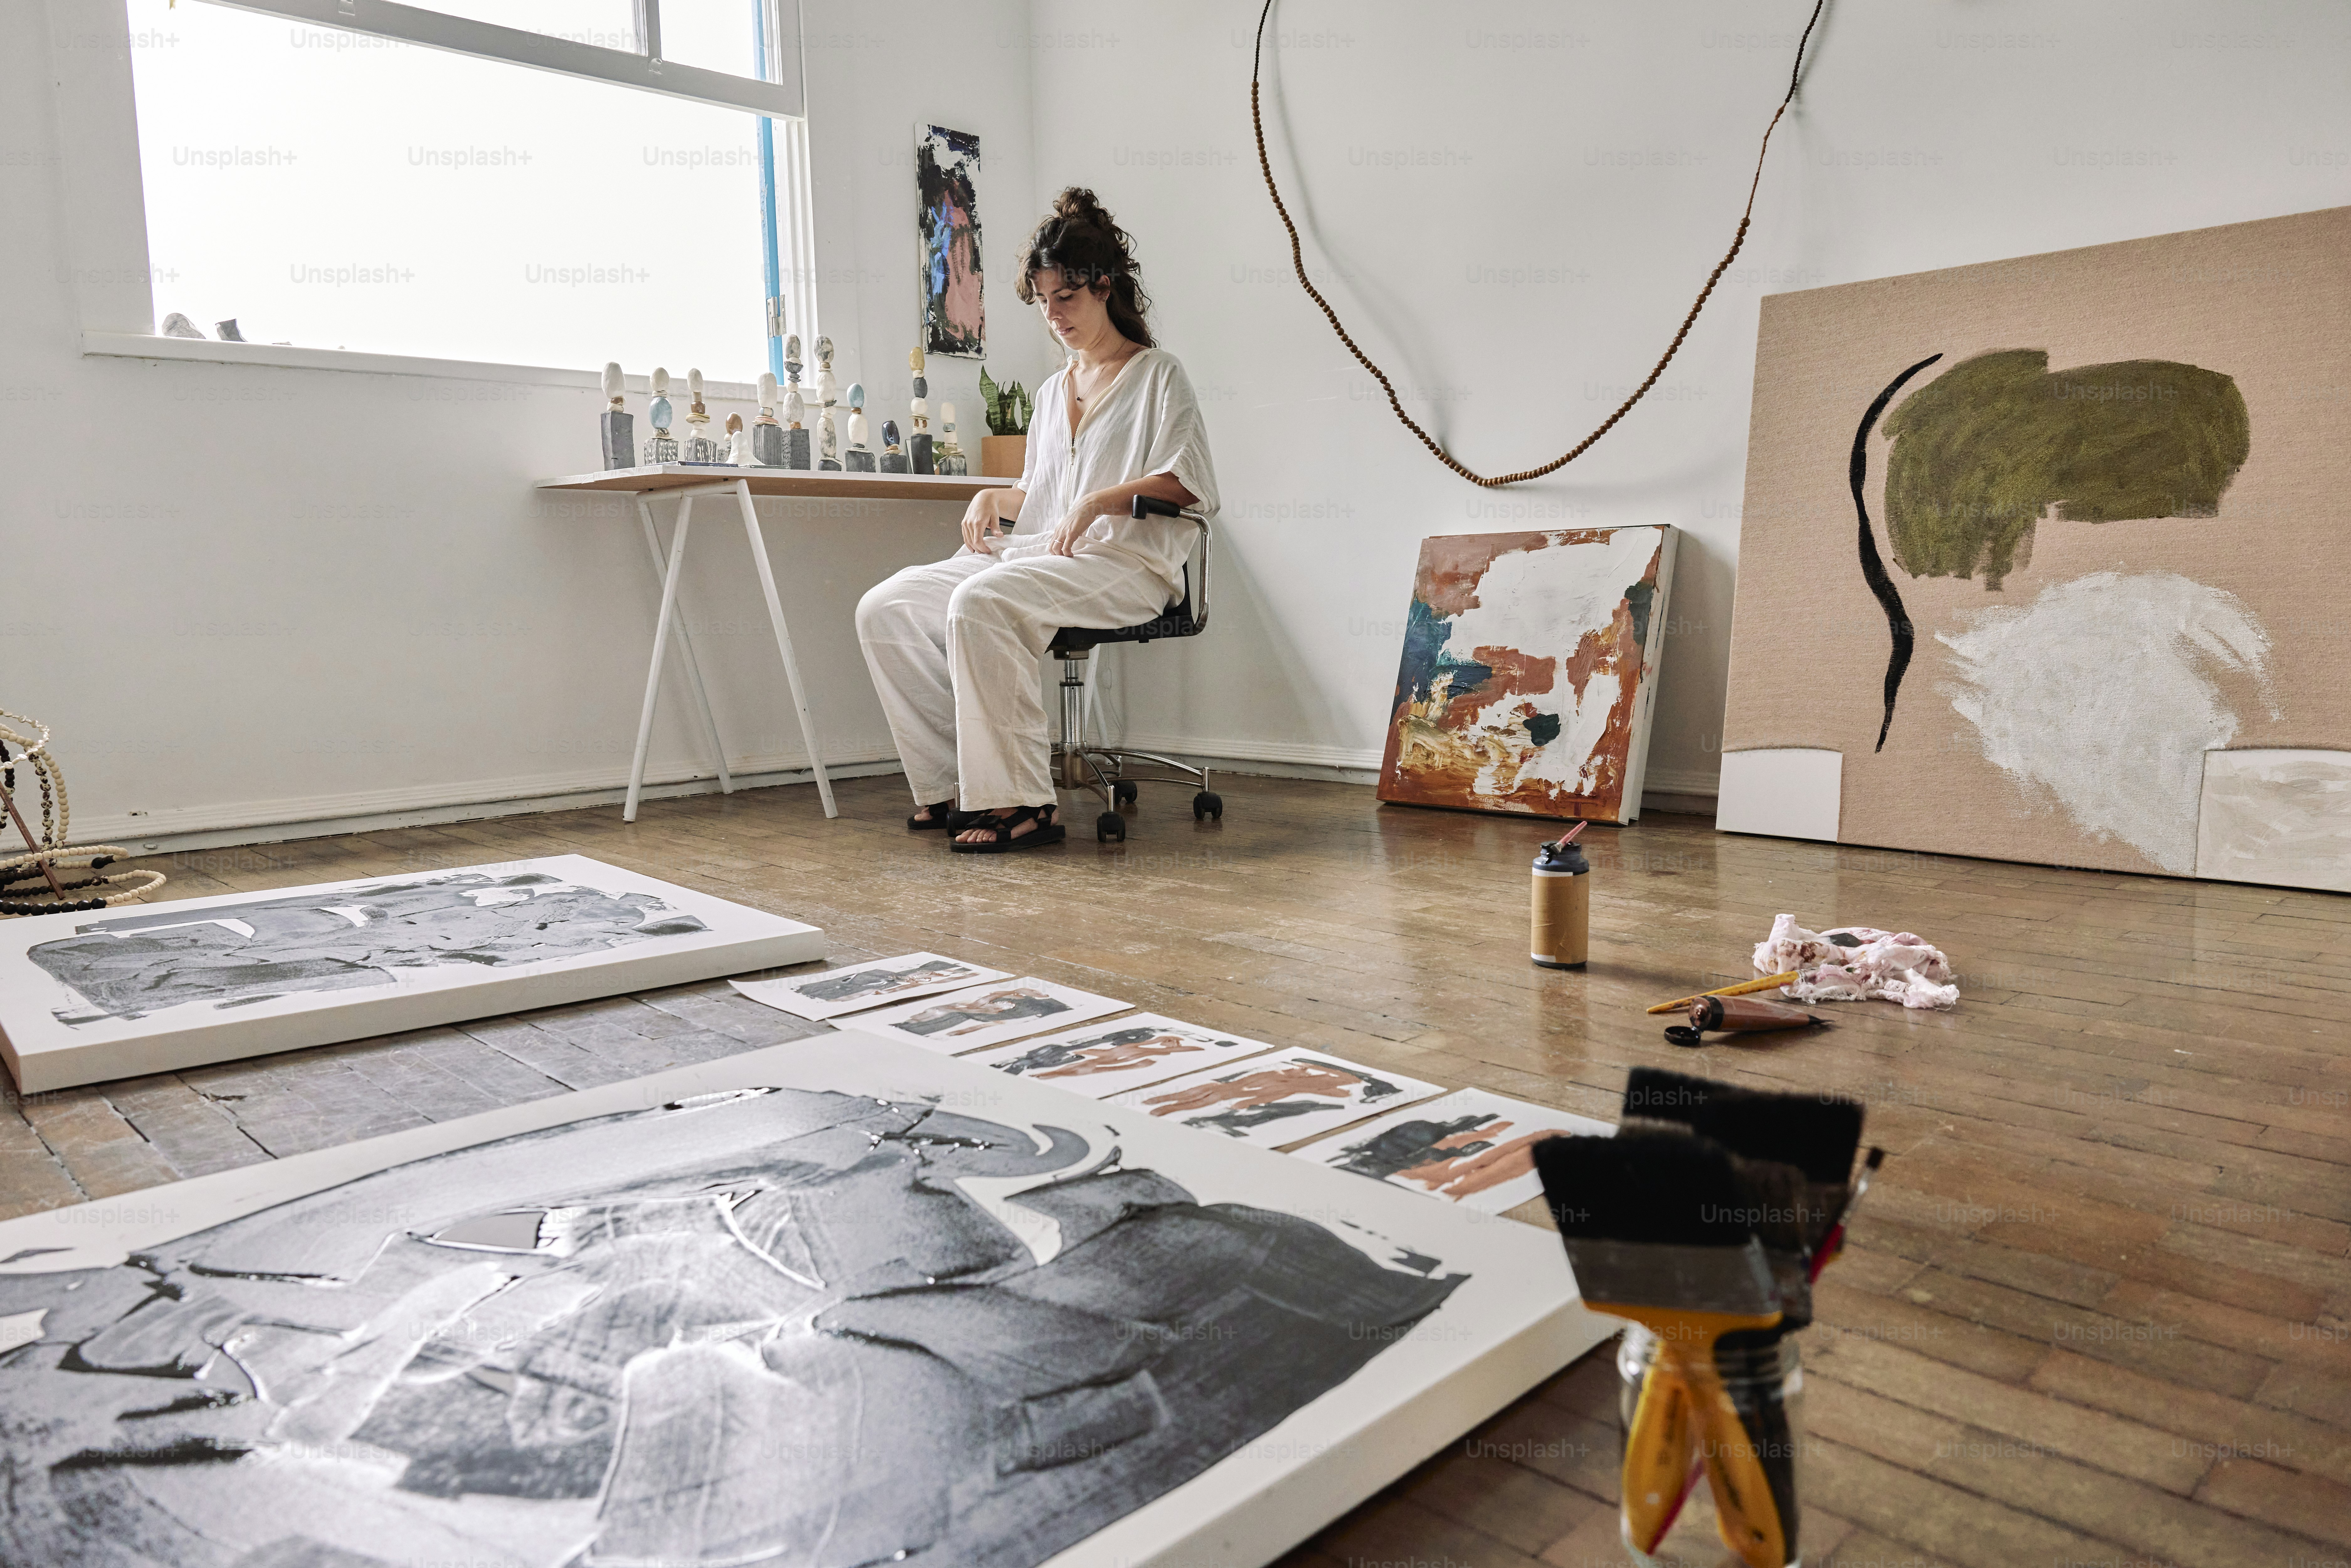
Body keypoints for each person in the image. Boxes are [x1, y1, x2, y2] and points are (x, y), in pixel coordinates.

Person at [856, 188, 1220, 852]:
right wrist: (996, 497)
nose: (1054, 316)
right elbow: (1044, 490)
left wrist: (1098, 502)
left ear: (1104, 287)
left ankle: (1023, 804)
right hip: (1043, 554)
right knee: (887, 606)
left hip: (1124, 564)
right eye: (1044, 302)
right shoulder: (1054, 392)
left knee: (979, 600)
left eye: (1067, 300)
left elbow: (1188, 483)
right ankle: (952, 787)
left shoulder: (1158, 376)